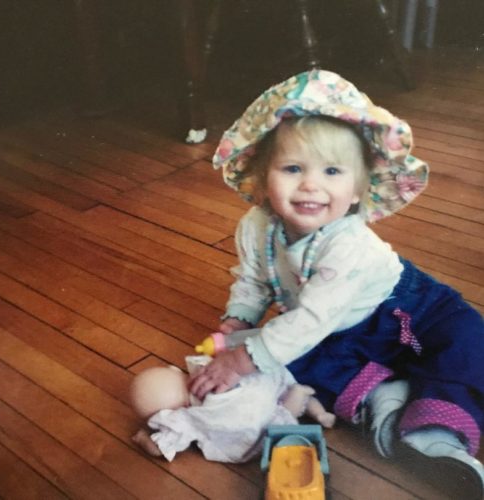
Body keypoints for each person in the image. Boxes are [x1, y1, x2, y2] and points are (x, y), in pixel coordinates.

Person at [188, 69, 484, 495]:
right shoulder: (256, 226)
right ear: (261, 174)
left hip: (405, 311)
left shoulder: (348, 243)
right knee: (288, 358)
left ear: (360, 188)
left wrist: (239, 360)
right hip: (330, 325)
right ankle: (379, 404)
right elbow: (254, 280)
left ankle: (437, 433)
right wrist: (238, 320)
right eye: (292, 168)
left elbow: (309, 319)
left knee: (466, 339)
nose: (311, 184)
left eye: (332, 171)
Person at [130, 363, 335, 463]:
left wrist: (142, 439)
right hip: (262, 384)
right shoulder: (203, 370)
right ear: (174, 370)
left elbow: (159, 448)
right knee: (287, 389)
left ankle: (298, 401)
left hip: (253, 419)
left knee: (278, 423)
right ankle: (318, 412)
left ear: (165, 415)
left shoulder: (183, 418)